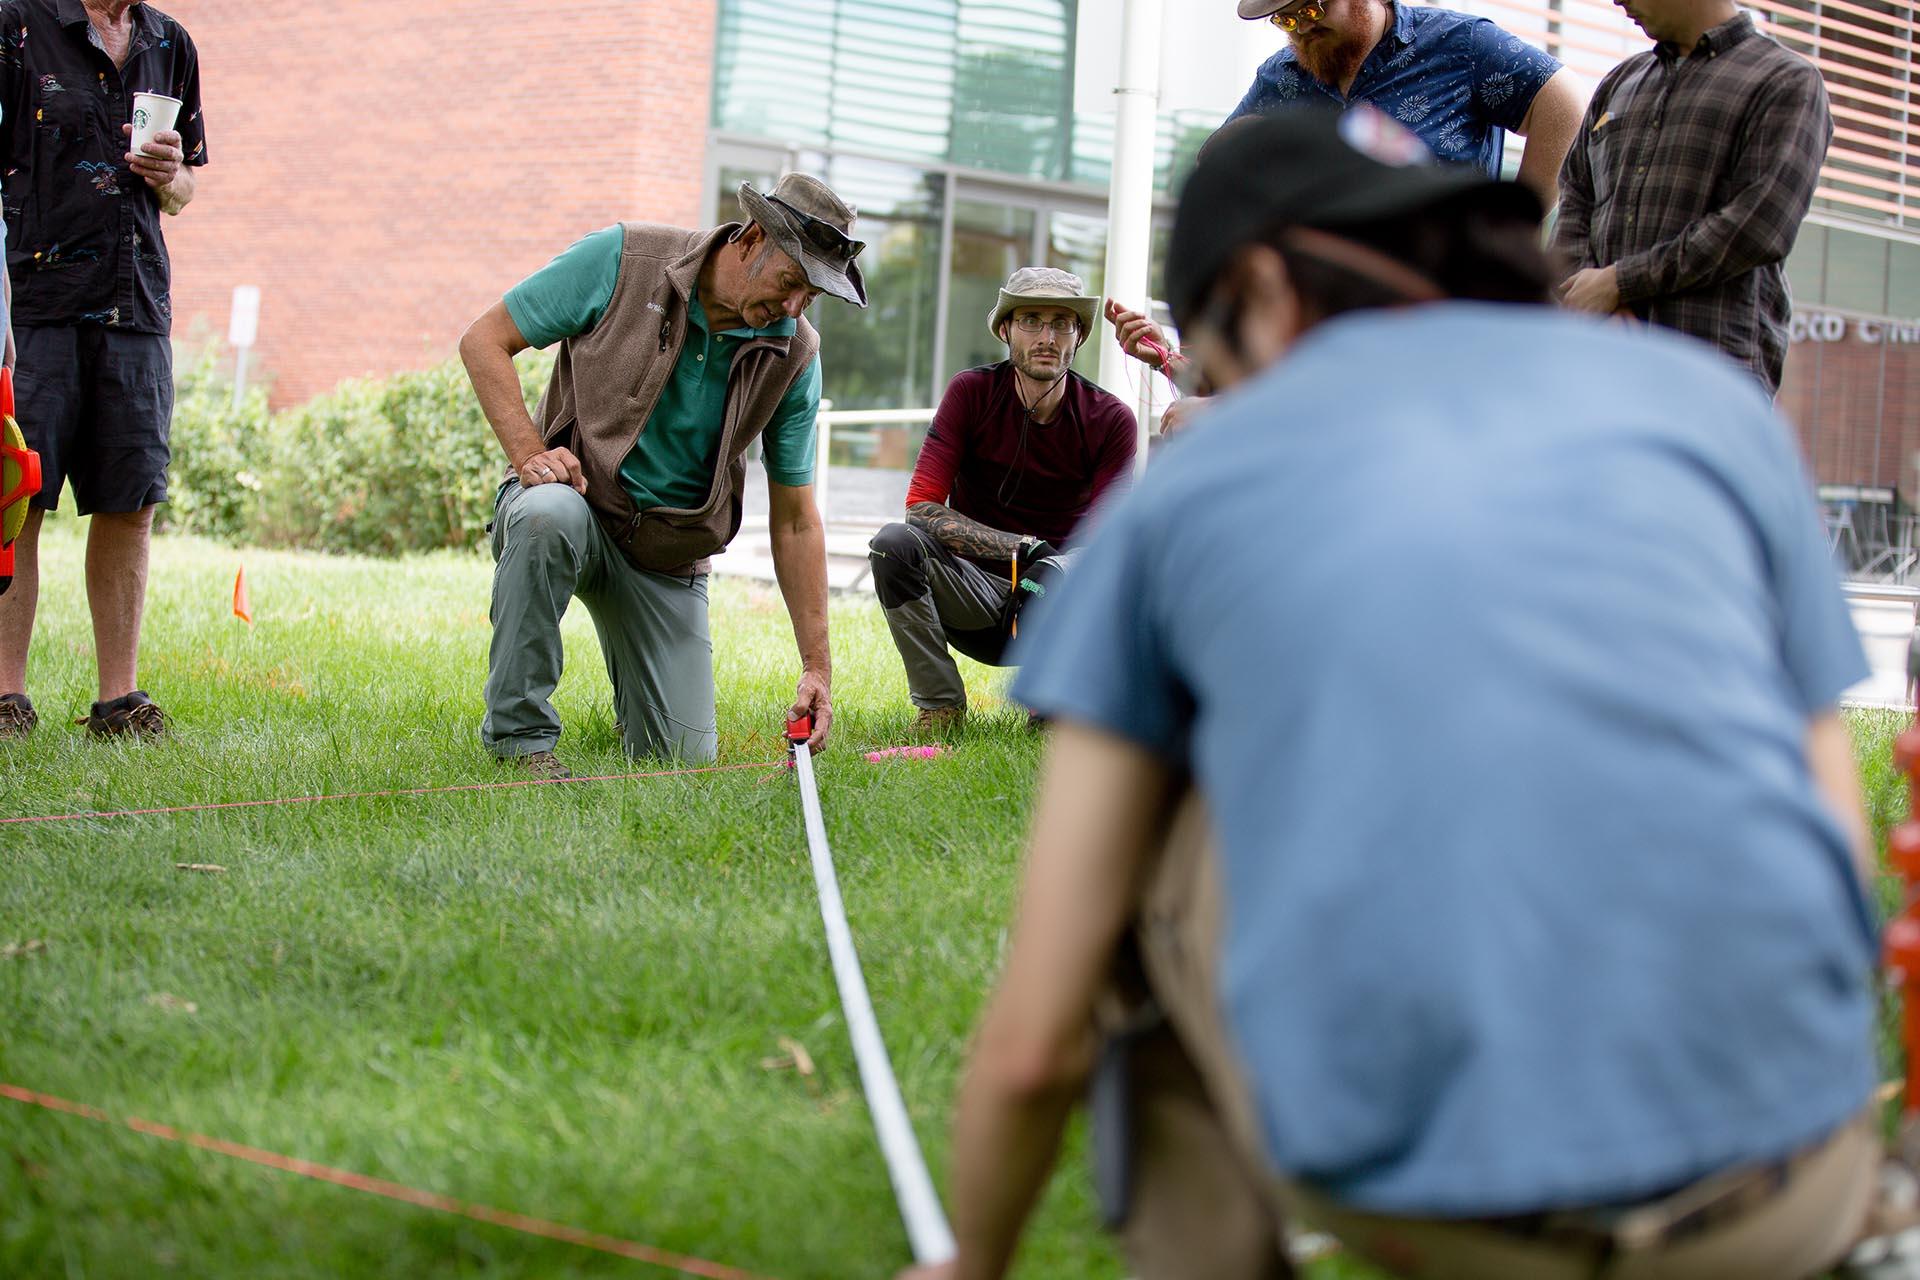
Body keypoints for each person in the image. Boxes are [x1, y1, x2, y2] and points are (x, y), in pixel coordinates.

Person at [901, 105, 1885, 1280]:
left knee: (1137, 842)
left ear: (1260, 295)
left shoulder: (1195, 496)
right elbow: (1841, 855)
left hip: (1455, 1214)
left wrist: (971, 1266)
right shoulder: (1717, 414)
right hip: (1799, 1178)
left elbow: (1032, 1046)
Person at [459, 174, 861, 775]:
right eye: (790, 283)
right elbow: (484, 340)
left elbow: (797, 521)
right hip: (578, 507)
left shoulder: (796, 356)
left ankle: (642, 692)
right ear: (752, 239)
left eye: (811, 295)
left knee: (681, 765)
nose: (794, 307)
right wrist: (528, 453)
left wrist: (816, 666)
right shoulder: (623, 260)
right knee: (545, 515)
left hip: (668, 559)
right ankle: (520, 740)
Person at [0, 0, 207, 741]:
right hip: (29, 309)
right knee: (13, 501)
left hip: (136, 307)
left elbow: (182, 195)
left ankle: (118, 702)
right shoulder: (16, 25)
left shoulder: (168, 42)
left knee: (130, 500)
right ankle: (5, 699)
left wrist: (170, 175)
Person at [867, 268, 1135, 737]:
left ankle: (1054, 703)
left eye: (1062, 323)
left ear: (1080, 336)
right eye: (1031, 319)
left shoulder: (1110, 419)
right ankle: (940, 709)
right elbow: (921, 507)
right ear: (1005, 330)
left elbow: (1114, 540)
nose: (1047, 336)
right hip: (973, 594)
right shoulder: (970, 393)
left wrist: (1056, 569)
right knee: (894, 544)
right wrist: (1026, 549)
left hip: (1059, 604)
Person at [1553, 0, 1831, 397]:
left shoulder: (1786, 82)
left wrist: (1619, 283)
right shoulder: (1619, 82)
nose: (1616, 0)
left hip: (1710, 377)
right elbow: (1576, 195)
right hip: (1600, 368)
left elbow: (1757, 227)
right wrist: (1591, 298)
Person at [1228, 0, 1584, 208]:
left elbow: (1564, 102)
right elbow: (1219, 158)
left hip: (1442, 306)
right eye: (1286, 19)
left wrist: (1516, 227)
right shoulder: (1280, 75)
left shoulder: (1461, 45)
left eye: (1314, 8)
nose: (1303, 28)